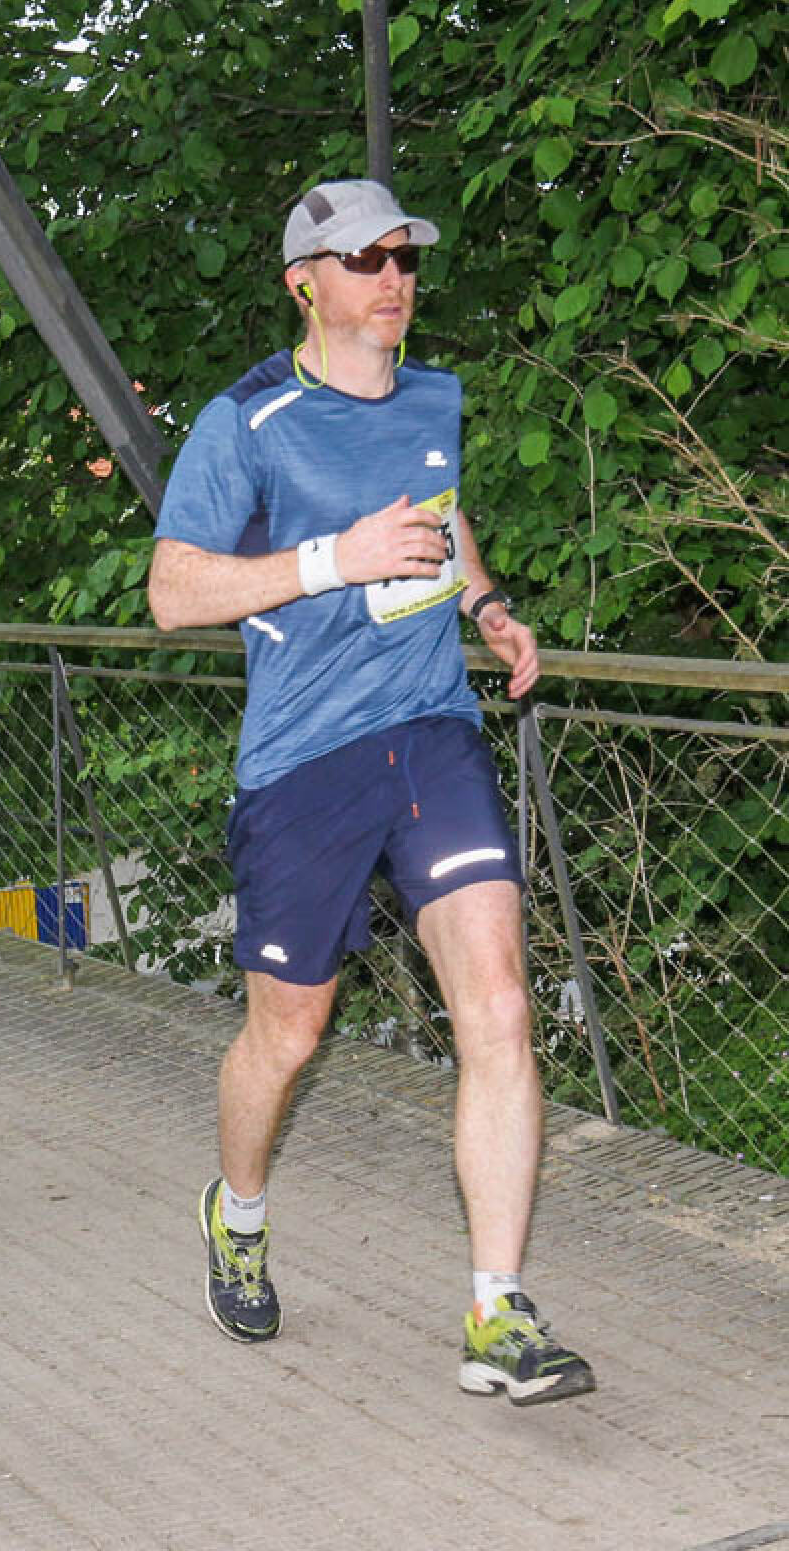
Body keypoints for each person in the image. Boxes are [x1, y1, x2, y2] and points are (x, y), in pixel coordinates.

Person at [146, 178, 594, 1407]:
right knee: (287, 1032)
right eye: (364, 260)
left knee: (497, 1006)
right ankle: (236, 1211)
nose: (392, 279)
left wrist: (485, 604)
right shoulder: (246, 421)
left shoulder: (433, 398)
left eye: (403, 258)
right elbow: (172, 592)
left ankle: (497, 1309)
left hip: (431, 733)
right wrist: (325, 560)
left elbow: (443, 523)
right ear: (305, 283)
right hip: (304, 760)